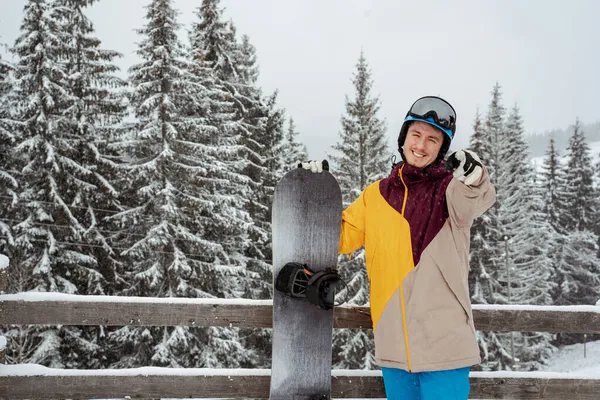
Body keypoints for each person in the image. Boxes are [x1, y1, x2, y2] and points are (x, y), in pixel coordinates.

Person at [301, 95, 496, 400]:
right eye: (415, 134)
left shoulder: (450, 191)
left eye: (433, 139)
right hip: (394, 347)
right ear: (403, 138)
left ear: (442, 149)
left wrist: (474, 176)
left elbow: (477, 197)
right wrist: (313, 191)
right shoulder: (375, 196)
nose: (421, 144)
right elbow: (337, 238)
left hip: (445, 348)